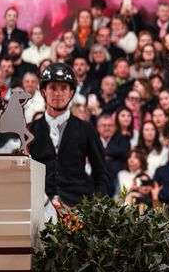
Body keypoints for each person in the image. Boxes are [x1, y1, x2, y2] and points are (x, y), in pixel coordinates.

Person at [27, 62, 111, 208]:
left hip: (77, 206)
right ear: (44, 91)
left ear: (71, 93)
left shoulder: (86, 129)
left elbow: (102, 174)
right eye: (53, 88)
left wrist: (95, 208)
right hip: (39, 206)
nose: (58, 93)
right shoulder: (30, 130)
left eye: (63, 88)